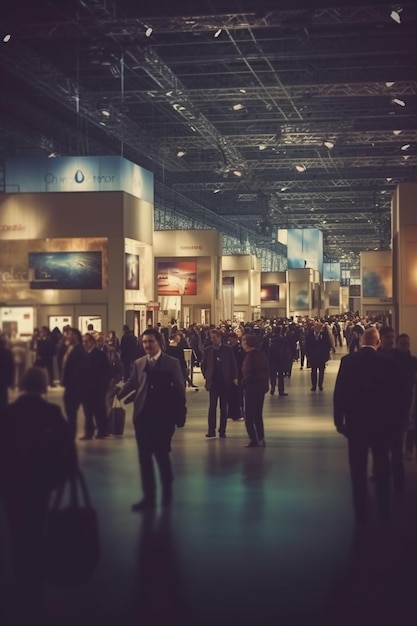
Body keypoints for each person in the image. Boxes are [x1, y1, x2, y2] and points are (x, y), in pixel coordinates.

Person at [0, 367, 76, 623]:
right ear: (43, 386)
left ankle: (21, 572)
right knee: (36, 524)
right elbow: (66, 445)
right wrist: (64, 474)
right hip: (40, 482)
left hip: (12, 483)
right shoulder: (50, 412)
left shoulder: (8, 413)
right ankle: (35, 577)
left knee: (16, 528)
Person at [333, 327, 401, 526]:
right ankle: (384, 508)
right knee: (382, 465)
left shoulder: (348, 361)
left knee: (358, 467)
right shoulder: (388, 362)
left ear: (362, 341)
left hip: (356, 422)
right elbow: (395, 395)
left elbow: (340, 393)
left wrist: (339, 420)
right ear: (378, 342)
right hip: (381, 423)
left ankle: (360, 508)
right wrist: (396, 421)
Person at [118, 329, 186, 511]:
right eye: (145, 342)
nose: (147, 345)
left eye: (151, 342)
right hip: (142, 417)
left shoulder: (171, 363)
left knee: (162, 456)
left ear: (159, 343)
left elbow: (179, 389)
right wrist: (118, 393)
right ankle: (148, 497)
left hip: (163, 418)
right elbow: (133, 382)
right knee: (144, 458)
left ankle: (167, 493)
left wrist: (180, 416)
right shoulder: (139, 362)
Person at [201, 328, 238, 439]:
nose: (212, 340)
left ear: (219, 337)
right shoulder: (207, 350)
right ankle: (211, 430)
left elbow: (233, 364)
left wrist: (234, 377)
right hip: (213, 382)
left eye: (214, 338)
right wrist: (206, 375)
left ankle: (222, 430)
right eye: (211, 338)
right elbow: (203, 364)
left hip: (224, 382)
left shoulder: (228, 349)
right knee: (212, 407)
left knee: (223, 407)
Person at [81, 332, 111, 439]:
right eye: (83, 341)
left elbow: (106, 372)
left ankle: (102, 431)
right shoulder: (83, 354)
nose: (84, 344)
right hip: (86, 389)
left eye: (86, 341)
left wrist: (104, 387)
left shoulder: (100, 354)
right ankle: (89, 432)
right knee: (87, 412)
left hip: (98, 388)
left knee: (99, 411)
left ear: (92, 342)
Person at [241, 333, 269, 447]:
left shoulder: (252, 356)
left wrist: (245, 381)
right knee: (257, 414)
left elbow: (252, 373)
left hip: (252, 388)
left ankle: (254, 438)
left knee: (250, 415)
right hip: (259, 388)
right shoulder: (259, 354)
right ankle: (260, 437)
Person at [62, 327, 89, 439]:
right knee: (70, 413)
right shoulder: (71, 348)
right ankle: (71, 434)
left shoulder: (79, 351)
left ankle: (71, 436)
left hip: (75, 388)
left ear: (76, 336)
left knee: (72, 413)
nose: (68, 336)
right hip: (71, 386)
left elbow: (78, 371)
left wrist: (72, 385)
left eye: (70, 334)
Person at [305, 321, 332, 391]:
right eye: (316, 327)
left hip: (321, 356)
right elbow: (307, 346)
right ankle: (313, 385)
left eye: (319, 327)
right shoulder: (309, 335)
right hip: (313, 356)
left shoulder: (324, 335)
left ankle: (320, 385)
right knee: (313, 371)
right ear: (314, 328)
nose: (317, 329)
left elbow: (328, 345)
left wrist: (326, 355)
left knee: (321, 371)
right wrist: (308, 355)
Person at [0, 335, 14, 407]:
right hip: (3, 380)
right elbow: (11, 368)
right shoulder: (7, 353)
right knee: (3, 401)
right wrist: (11, 382)